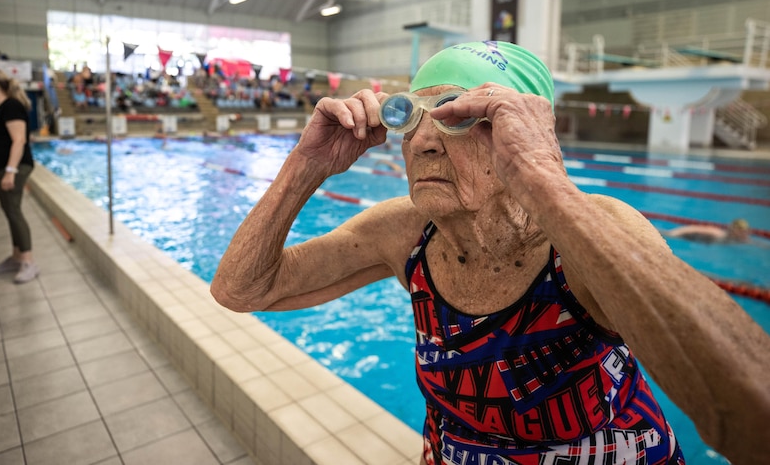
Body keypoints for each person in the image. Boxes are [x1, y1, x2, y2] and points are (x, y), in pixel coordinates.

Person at [211, 41, 770, 465]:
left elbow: (751, 407)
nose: (425, 141)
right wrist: (307, 165)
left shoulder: (587, 232)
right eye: (411, 117)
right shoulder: (405, 234)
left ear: (523, 131)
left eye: (458, 117)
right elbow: (241, 289)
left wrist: (539, 179)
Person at [0, 69, 40, 283]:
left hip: (14, 167)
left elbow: (19, 140)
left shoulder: (12, 106)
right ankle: (16, 257)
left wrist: (11, 171)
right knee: (9, 210)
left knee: (13, 210)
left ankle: (28, 262)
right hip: (0, 168)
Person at [664, 218, 752, 244]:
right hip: (688, 237)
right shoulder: (716, 233)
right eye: (739, 230)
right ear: (731, 228)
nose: (741, 233)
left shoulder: (739, 240)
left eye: (743, 231)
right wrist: (673, 234)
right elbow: (693, 228)